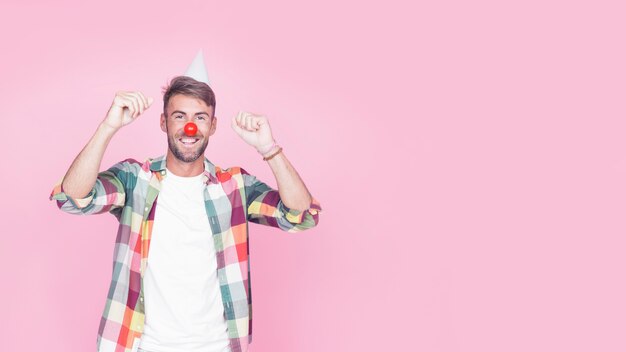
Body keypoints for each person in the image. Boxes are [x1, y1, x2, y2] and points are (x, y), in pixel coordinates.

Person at [49, 74, 322, 352]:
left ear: (213, 126)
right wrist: (108, 127)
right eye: (179, 116)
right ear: (163, 122)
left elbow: (300, 215)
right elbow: (73, 197)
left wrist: (269, 148)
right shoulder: (135, 179)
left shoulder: (235, 186)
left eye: (200, 117)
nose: (189, 127)